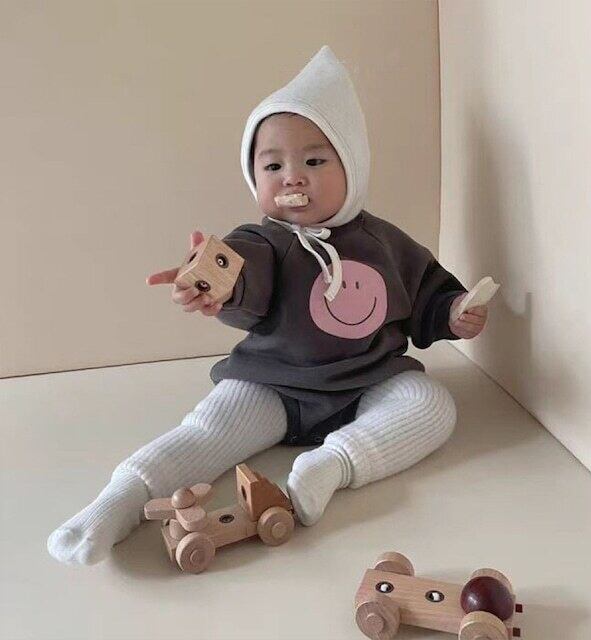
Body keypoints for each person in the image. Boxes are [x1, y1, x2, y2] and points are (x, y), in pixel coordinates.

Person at [48, 46, 487, 565]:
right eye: (273, 165)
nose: (292, 177)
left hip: (368, 382)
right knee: (207, 429)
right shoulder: (263, 242)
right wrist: (213, 284)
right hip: (272, 385)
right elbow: (239, 274)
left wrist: (454, 311)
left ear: (353, 166)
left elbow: (427, 292)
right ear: (254, 177)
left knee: (431, 405)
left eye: (314, 161)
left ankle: (331, 465)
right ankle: (122, 496)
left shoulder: (385, 243)